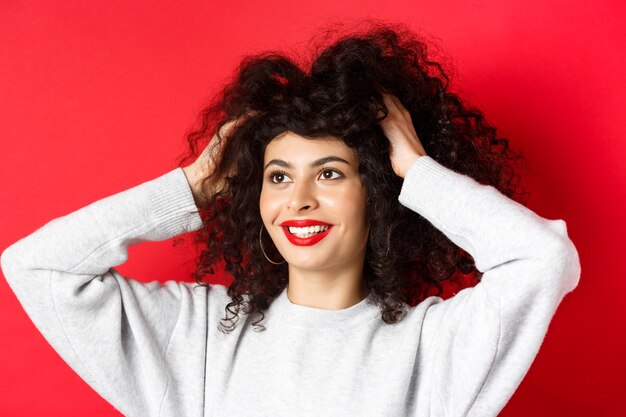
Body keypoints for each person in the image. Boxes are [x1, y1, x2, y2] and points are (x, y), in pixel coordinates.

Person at [1, 22, 581, 417]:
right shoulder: (201, 336)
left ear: (376, 192)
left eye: (330, 173)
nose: (297, 199)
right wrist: (193, 187)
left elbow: (543, 260)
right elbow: (35, 266)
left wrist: (416, 169)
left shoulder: (436, 344)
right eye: (278, 177)